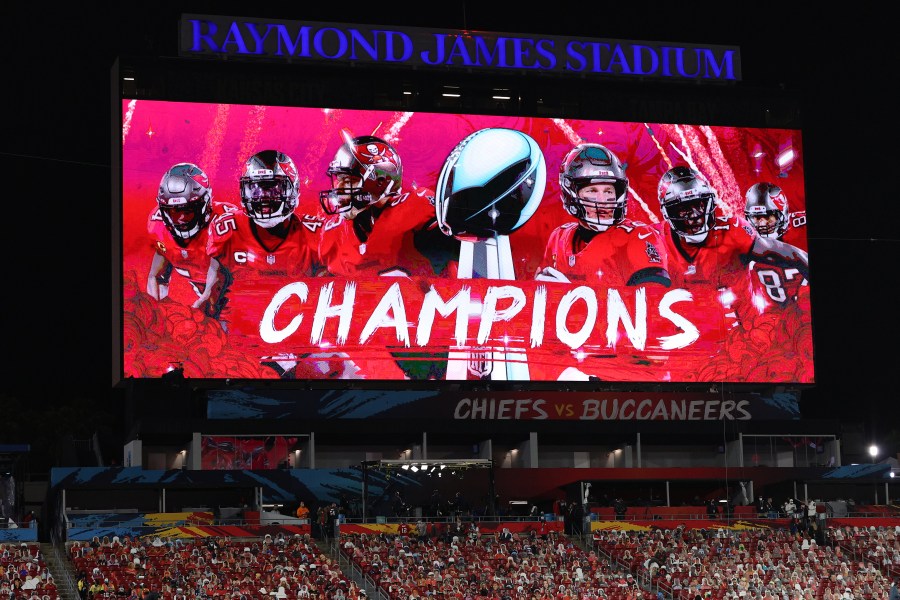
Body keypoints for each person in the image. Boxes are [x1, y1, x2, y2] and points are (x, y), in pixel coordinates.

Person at [201, 149, 331, 377]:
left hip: (296, 338)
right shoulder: (228, 230)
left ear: (293, 188)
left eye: (272, 187)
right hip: (242, 339)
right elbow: (210, 296)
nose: (263, 196)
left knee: (337, 369)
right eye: (256, 187)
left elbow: (328, 311)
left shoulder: (315, 235)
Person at [318, 131, 455, 278]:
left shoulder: (414, 209)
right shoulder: (333, 233)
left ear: (379, 182)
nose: (339, 189)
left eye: (348, 181)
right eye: (339, 180)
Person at [536, 142, 670, 288]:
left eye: (608, 191)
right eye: (592, 191)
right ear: (571, 193)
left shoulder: (639, 237)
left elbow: (652, 305)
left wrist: (573, 295)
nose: (603, 200)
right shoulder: (558, 238)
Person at [146, 162, 235, 320]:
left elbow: (212, 299)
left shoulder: (225, 223)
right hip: (213, 312)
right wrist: (157, 316)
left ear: (206, 204)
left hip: (242, 309)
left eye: (187, 211)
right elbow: (157, 277)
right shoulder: (158, 226)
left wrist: (193, 320)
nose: (180, 220)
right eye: (172, 212)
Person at [743, 182, 809, 312]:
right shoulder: (743, 235)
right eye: (756, 218)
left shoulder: (800, 227)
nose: (761, 223)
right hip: (773, 314)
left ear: (782, 214)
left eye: (767, 217)